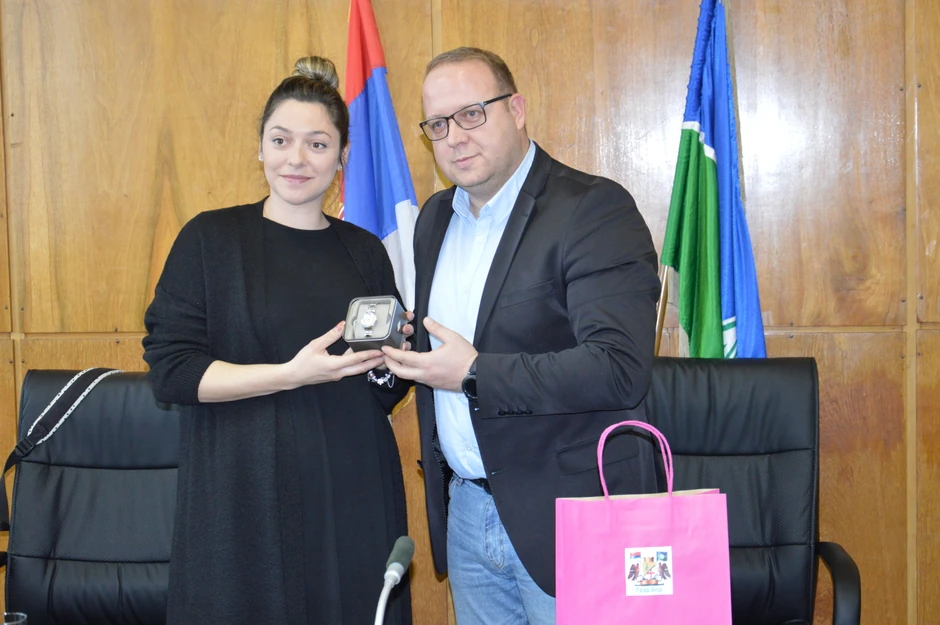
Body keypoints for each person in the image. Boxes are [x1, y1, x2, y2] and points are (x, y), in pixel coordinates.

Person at [382, 47, 660, 624]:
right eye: (438, 124)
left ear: (517, 109)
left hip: (571, 516)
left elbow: (618, 367)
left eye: (472, 114)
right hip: (466, 513)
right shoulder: (434, 219)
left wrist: (474, 373)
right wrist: (400, 354)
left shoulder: (593, 209)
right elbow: (448, 345)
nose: (455, 137)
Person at [143, 56, 412, 625]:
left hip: (353, 489)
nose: (296, 159)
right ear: (259, 148)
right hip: (244, 492)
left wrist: (393, 361)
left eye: (318, 144)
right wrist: (291, 374)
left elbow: (380, 390)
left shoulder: (365, 250)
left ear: (342, 157)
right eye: (281, 140)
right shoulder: (211, 240)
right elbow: (173, 373)